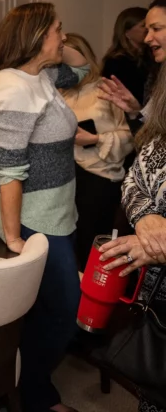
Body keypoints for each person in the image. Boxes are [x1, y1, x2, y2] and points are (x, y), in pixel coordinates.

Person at [0, 2, 89, 412]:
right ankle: (30, 390)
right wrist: (12, 236)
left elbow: (82, 70)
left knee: (46, 310)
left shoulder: (40, 76)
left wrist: (63, 39)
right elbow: (9, 172)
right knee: (65, 310)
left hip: (58, 213)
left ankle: (32, 390)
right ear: (37, 35)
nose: (64, 37)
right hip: (31, 219)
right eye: (58, 30)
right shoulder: (11, 88)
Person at [97, 28, 166, 409]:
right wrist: (146, 219)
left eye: (159, 27)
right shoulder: (162, 125)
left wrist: (159, 245)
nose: (150, 36)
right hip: (157, 302)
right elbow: (134, 178)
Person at [60, 33, 134, 269]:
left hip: (101, 180)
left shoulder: (106, 90)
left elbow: (131, 137)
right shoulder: (59, 94)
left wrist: (95, 138)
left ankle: (97, 296)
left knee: (95, 246)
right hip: (66, 179)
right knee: (71, 244)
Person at [102, 7, 155, 107]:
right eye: (143, 26)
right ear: (127, 33)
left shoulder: (151, 56)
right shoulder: (116, 62)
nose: (147, 30)